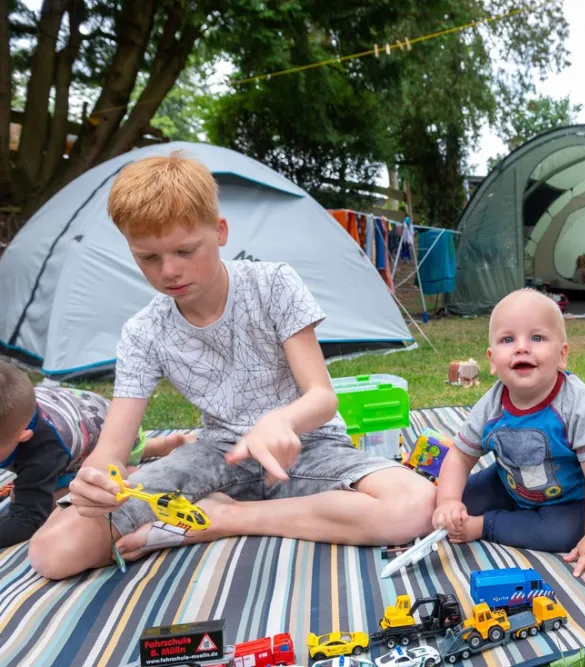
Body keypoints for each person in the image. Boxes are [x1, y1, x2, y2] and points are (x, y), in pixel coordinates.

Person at [27, 152, 436, 580]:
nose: (169, 271)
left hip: (308, 446)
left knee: (416, 505)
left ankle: (223, 519)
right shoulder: (143, 331)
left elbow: (321, 397)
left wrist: (281, 422)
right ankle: (226, 512)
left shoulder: (274, 283)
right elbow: (112, 449)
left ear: (220, 232)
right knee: (54, 552)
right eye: (148, 258)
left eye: (186, 250)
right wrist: (96, 481)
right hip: (217, 455)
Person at [432, 288, 585, 582]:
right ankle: (474, 511)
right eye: (508, 340)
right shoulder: (491, 406)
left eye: (537, 338)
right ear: (492, 361)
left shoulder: (576, 403)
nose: (521, 348)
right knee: (446, 506)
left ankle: (485, 526)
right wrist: (447, 500)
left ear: (562, 355)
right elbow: (460, 456)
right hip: (508, 480)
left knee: (563, 534)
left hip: (568, 498)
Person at [0, 361, 190, 548]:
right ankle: (151, 446)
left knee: (27, 496)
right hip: (82, 410)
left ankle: (128, 467)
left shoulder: (44, 452)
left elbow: (26, 520)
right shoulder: (14, 407)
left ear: (23, 436)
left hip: (114, 435)